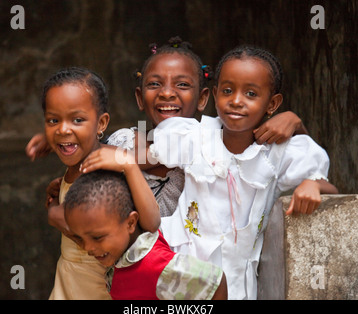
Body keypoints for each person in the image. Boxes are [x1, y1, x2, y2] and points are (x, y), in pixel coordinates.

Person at [146, 45, 339, 300]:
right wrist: (110, 156)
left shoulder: (277, 154)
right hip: (180, 276)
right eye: (227, 91)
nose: (236, 100)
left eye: (250, 93)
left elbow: (331, 189)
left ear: (273, 103)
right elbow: (144, 155)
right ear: (214, 95)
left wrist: (313, 184)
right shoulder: (193, 136)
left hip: (240, 285)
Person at [80, 37, 310, 217]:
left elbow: (299, 159)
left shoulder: (216, 142)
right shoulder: (125, 140)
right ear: (140, 98)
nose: (167, 92)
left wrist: (294, 123)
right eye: (154, 84)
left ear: (203, 99)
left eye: (182, 84)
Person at [38, 67, 160, 300]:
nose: (63, 129)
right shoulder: (77, 164)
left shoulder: (111, 164)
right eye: (53, 120)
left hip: (97, 290)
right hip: (68, 281)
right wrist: (62, 188)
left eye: (77, 119)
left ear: (102, 123)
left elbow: (151, 222)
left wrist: (129, 165)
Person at [63, 170, 228, 300]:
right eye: (80, 239)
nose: (88, 248)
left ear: (130, 223)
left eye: (97, 237)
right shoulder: (120, 253)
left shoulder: (152, 264)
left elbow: (216, 282)